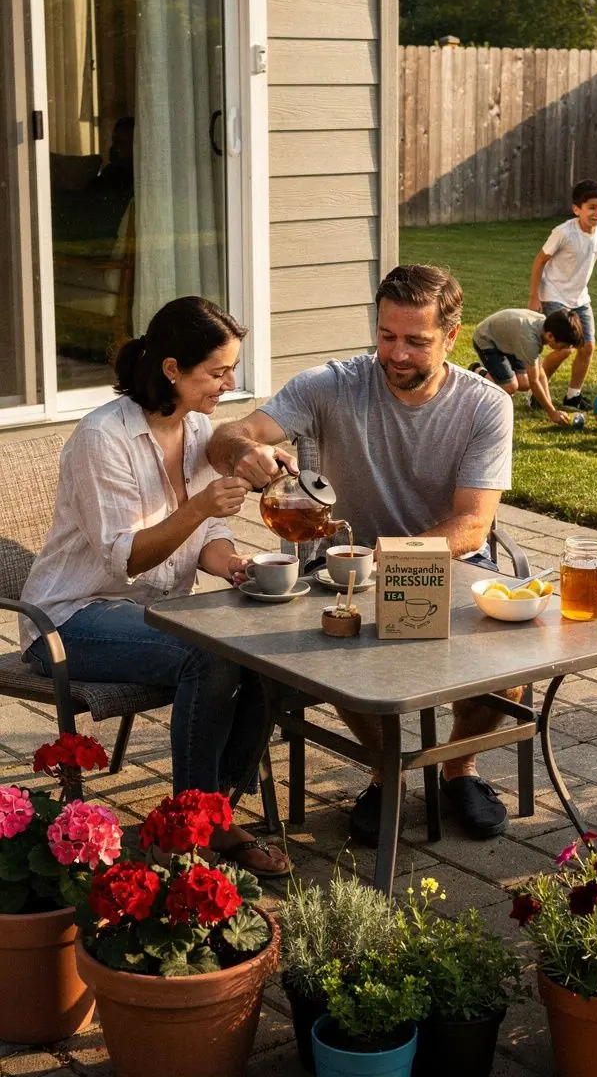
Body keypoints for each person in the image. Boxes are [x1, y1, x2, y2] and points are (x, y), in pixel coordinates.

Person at [207, 265, 519, 847]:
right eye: (386, 335)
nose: (396, 354)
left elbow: (473, 526)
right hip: (339, 576)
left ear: (451, 338)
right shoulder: (329, 386)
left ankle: (457, 768)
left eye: (416, 341)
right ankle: (388, 772)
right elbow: (227, 433)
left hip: (444, 564)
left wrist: (386, 556)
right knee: (344, 652)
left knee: (510, 669)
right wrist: (244, 450)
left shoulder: (485, 406)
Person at [20, 296, 289, 877]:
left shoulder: (194, 429)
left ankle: (210, 811)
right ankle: (195, 828)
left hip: (153, 617)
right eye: (216, 372)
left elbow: (210, 535)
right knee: (209, 659)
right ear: (172, 369)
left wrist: (235, 564)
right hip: (69, 621)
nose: (229, 383)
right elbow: (126, 559)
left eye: (230, 370)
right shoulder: (102, 438)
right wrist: (196, 509)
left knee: (269, 651)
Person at [527, 178, 597, 410]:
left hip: (580, 299)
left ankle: (573, 396)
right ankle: (536, 393)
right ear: (577, 209)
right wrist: (534, 297)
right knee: (565, 349)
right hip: (554, 295)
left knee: (587, 347)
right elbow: (540, 261)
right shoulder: (563, 233)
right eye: (592, 207)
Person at [470, 307, 584, 424]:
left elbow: (540, 374)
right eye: (563, 345)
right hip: (486, 340)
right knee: (510, 387)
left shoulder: (544, 326)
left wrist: (551, 408)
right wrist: (552, 412)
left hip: (509, 341)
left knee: (524, 384)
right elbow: (534, 381)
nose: (563, 349)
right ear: (550, 336)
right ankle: (477, 371)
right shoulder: (530, 341)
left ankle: (500, 374)